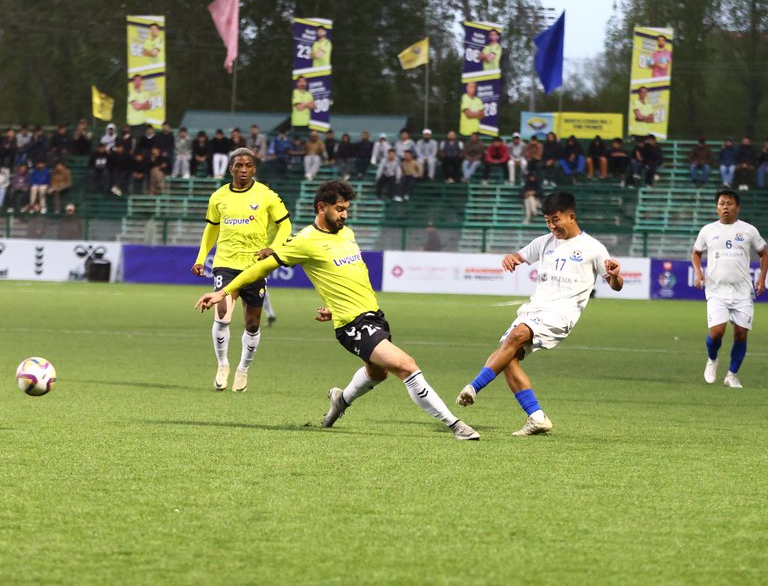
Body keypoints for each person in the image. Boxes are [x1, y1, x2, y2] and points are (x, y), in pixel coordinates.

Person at [194, 180, 480, 441]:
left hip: (374, 316)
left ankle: (340, 402)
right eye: (339, 209)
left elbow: (349, 276)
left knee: (377, 374)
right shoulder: (304, 241)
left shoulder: (347, 234)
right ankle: (455, 425)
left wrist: (334, 305)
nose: (344, 215)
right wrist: (223, 291)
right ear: (322, 208)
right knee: (406, 366)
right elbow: (261, 267)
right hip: (352, 326)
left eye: (347, 210)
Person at [456, 191, 623, 435]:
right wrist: (511, 258)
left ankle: (473, 387)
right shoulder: (544, 242)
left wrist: (616, 274)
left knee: (513, 339)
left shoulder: (593, 249)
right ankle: (537, 417)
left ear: (571, 217)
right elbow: (519, 256)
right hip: (534, 309)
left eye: (555, 219)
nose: (551, 226)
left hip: (561, 314)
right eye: (547, 220)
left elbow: (615, 285)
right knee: (507, 358)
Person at [192, 147, 292, 392]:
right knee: (222, 314)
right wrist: (201, 258)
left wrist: (274, 248)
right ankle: (223, 364)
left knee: (253, 324)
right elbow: (211, 229)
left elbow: (286, 225)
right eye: (239, 165)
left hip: (255, 266)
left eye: (248, 165)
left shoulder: (266, 195)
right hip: (225, 263)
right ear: (231, 169)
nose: (243, 170)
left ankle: (243, 369)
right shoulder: (218, 197)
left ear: (254, 169)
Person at [692, 189, 767, 389]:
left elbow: (764, 253)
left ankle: (732, 375)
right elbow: (696, 254)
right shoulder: (707, 230)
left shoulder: (749, 230)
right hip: (717, 290)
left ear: (737, 207)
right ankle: (712, 359)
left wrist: (761, 278)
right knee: (717, 332)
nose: (726, 207)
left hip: (743, 291)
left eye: (730, 203)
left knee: (741, 334)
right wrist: (698, 273)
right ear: (717, 208)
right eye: (722, 203)